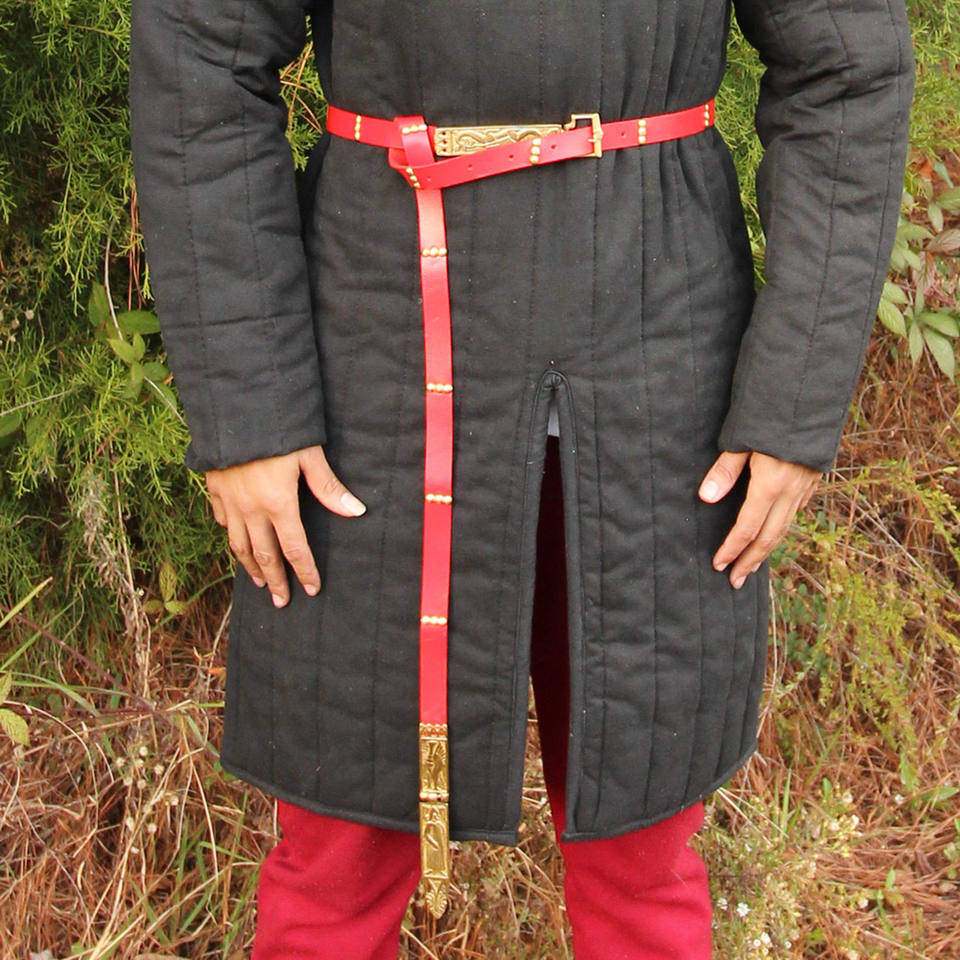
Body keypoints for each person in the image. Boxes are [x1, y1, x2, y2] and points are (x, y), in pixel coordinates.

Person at [128, 0, 914, 956]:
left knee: (643, 865)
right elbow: (202, 53)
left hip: (655, 355)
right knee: (337, 865)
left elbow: (847, 67)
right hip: (375, 359)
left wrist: (793, 397)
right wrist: (248, 404)